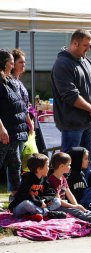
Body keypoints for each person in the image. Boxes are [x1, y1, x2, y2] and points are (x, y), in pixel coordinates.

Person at [51, 29, 91, 179]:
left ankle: (85, 195)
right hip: (72, 124)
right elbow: (69, 95)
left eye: (90, 45)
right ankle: (68, 196)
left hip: (89, 122)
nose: (88, 48)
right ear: (74, 43)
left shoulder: (87, 62)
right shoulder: (62, 64)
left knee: (88, 161)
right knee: (69, 164)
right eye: (85, 45)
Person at [47, 152, 91, 228]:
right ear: (61, 166)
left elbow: (69, 193)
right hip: (56, 207)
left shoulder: (63, 178)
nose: (70, 167)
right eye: (68, 165)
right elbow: (57, 201)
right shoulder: (52, 180)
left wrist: (76, 205)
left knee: (82, 209)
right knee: (77, 212)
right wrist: (74, 207)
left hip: (64, 204)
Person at [0, 49, 29, 201]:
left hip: (13, 132)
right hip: (4, 132)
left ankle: (16, 198)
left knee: (15, 164)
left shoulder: (9, 81)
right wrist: (1, 128)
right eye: (11, 62)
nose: (12, 66)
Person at [8, 153, 65, 221]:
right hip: (20, 208)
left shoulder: (44, 179)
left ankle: (31, 215)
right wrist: (38, 202)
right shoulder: (27, 179)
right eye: (47, 166)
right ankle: (48, 213)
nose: (48, 168)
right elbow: (23, 195)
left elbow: (52, 193)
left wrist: (43, 200)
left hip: (37, 205)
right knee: (27, 203)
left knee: (57, 201)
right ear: (39, 169)